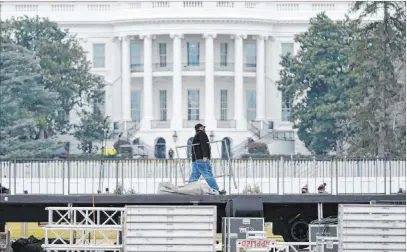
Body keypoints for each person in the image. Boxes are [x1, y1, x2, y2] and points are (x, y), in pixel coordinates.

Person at [189, 123, 226, 195]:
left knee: (195, 175)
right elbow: (204, 144)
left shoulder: (196, 136)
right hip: (201, 159)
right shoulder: (202, 134)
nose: (204, 129)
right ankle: (215, 190)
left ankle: (189, 189)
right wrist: (205, 156)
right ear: (201, 128)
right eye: (204, 128)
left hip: (195, 159)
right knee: (208, 174)